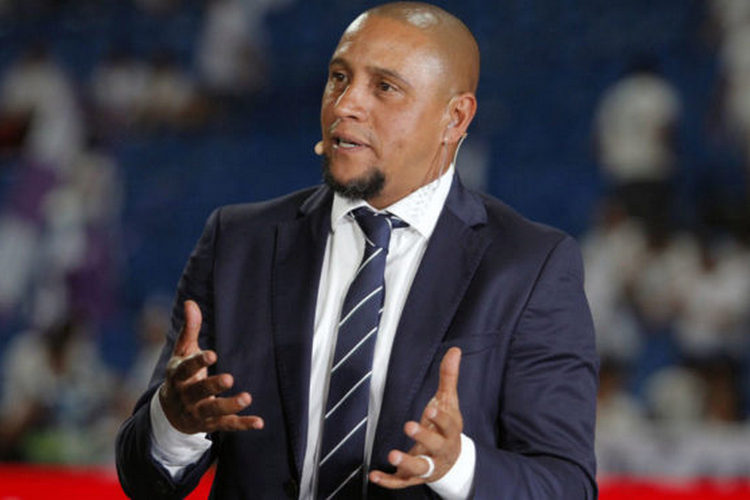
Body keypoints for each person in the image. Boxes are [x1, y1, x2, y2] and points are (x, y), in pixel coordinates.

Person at [116, 2, 598, 498]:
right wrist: (174, 424)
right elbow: (142, 477)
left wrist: (458, 466)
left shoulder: (529, 266)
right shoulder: (237, 243)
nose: (345, 105)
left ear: (454, 118)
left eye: (384, 87)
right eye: (339, 78)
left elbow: (565, 485)